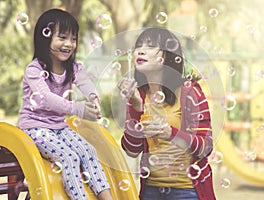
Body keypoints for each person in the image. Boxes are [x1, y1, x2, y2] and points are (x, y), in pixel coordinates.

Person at [18, 8, 113, 200]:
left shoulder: (74, 68)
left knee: (89, 151)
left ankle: (107, 198)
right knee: (69, 157)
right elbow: (46, 98)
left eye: (73, 39)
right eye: (62, 37)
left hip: (59, 127)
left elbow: (86, 84)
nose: (69, 44)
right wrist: (76, 108)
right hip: (35, 128)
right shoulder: (34, 70)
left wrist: (94, 98)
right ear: (45, 38)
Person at [117, 27, 216, 200]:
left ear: (166, 56)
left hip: (187, 190)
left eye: (150, 46)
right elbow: (131, 149)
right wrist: (136, 107)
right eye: (138, 45)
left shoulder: (189, 92)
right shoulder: (138, 95)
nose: (140, 50)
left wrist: (171, 134)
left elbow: (205, 146)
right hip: (151, 190)